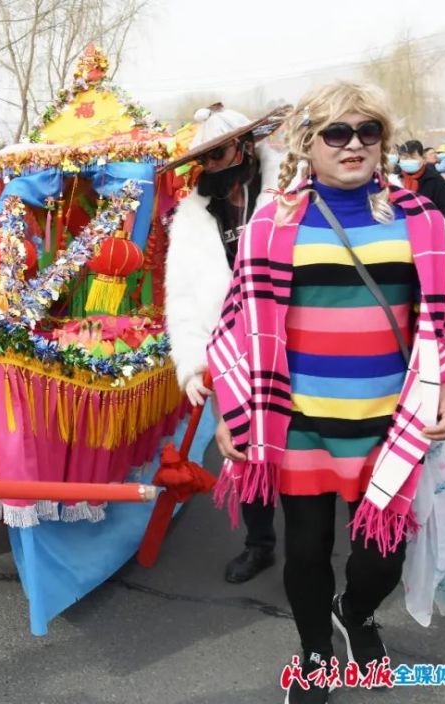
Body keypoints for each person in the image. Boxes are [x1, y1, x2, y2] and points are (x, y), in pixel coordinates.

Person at [208, 81, 445, 704]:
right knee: (304, 554)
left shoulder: (422, 221)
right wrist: (233, 412)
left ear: (381, 140)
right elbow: (238, 326)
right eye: (337, 133)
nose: (354, 144)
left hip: (390, 423)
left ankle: (355, 611)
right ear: (310, 143)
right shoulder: (271, 224)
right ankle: (317, 656)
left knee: (379, 557)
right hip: (299, 422)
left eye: (367, 131)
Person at [164, 103, 285, 584]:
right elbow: (183, 294)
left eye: (218, 154)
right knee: (241, 445)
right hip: (230, 348)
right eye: (204, 159)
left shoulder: (289, 194)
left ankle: (310, 545)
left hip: (289, 341)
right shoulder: (193, 216)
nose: (210, 166)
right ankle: (260, 543)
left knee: (298, 447)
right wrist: (192, 364)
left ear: (245, 147)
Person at [400, 140, 445, 229]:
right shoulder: (395, 179)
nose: (408, 161)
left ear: (423, 159)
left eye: (413, 157)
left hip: (428, 229)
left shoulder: (434, 180)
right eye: (405, 158)